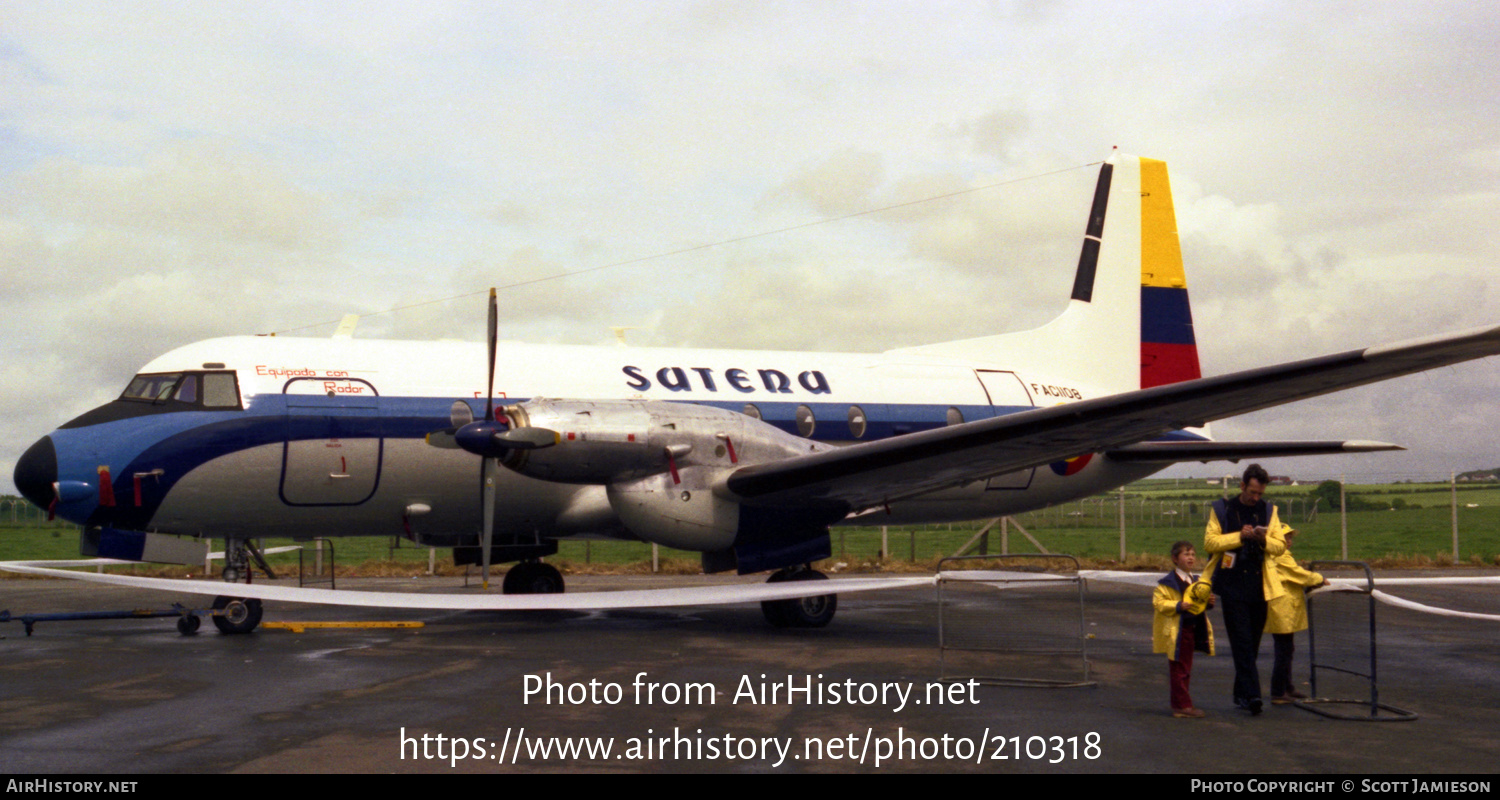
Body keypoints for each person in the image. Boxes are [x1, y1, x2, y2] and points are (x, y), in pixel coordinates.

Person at [1204, 463, 1288, 715]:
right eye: (1252, 492)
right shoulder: (1221, 509)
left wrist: (1263, 538)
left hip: (1260, 585)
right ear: (1242, 486)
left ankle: (1241, 693)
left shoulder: (1269, 511)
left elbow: (1280, 546)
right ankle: (1252, 695)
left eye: (1260, 493)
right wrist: (1238, 536)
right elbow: (1209, 542)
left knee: (1251, 643)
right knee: (1241, 641)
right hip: (1231, 584)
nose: (1256, 498)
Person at [1266, 529, 1329, 703]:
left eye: (1290, 537)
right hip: (1281, 607)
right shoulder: (1280, 556)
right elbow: (1298, 574)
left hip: (1285, 607)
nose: (1289, 541)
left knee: (1287, 649)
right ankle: (1278, 691)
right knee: (1284, 650)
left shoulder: (1280, 554)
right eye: (1285, 537)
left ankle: (1287, 687)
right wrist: (1319, 578)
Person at [1154, 540, 1214, 718]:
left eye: (1193, 554)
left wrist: (1208, 603)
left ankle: (1181, 703)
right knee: (1179, 668)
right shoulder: (1167, 583)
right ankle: (1182, 706)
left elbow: (1199, 605)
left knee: (1185, 667)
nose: (1191, 558)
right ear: (1175, 558)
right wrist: (1178, 605)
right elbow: (1159, 603)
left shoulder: (1196, 581)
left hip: (1193, 629)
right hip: (1178, 631)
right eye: (1186, 554)